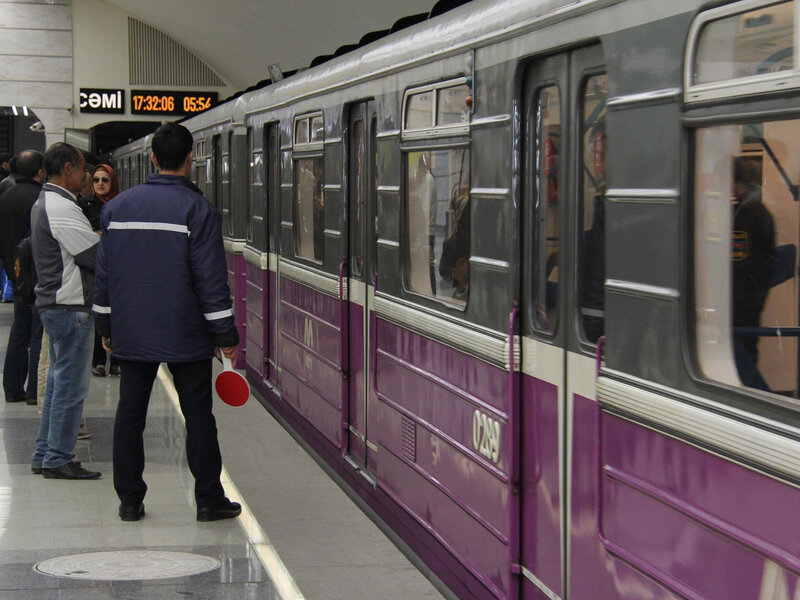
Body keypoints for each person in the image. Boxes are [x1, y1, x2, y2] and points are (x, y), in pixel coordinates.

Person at [93, 122, 241, 522]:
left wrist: (104, 326)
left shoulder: (116, 209)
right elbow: (211, 280)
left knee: (130, 414)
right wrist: (225, 334)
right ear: (191, 159)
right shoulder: (199, 211)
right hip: (186, 332)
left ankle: (130, 500)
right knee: (198, 416)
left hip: (133, 330)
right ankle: (208, 499)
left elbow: (104, 275)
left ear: (153, 159)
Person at [30, 142, 101, 480]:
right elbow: (92, 255)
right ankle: (58, 457)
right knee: (71, 389)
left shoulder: (48, 202)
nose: (87, 175)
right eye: (83, 167)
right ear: (68, 169)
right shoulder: (60, 206)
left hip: (57, 306)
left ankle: (45, 452)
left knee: (59, 386)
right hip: (70, 306)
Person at [0, 150, 45, 404]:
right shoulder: (40, 198)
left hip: (15, 276)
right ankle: (34, 391)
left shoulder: (4, 195)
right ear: (40, 172)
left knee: (19, 332)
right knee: (38, 332)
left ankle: (12, 388)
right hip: (38, 274)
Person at [731, 157, 775, 390]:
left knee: (744, 357)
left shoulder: (750, 214)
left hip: (743, 303)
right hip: (748, 299)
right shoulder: (750, 210)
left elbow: (740, 262)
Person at [80, 164, 121, 377]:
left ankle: (117, 360)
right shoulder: (85, 206)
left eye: (105, 180)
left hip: (118, 267)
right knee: (99, 313)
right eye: (96, 180)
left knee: (118, 314)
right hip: (95, 267)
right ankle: (98, 361)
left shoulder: (121, 205)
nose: (100, 184)